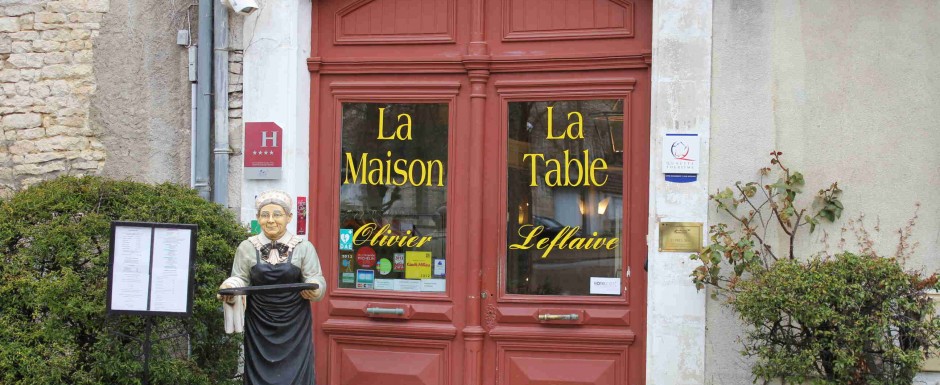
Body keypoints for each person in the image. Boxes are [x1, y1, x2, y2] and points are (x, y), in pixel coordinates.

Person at [218, 190, 326, 385]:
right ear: (258, 218)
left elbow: (315, 277)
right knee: (258, 372)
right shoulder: (247, 247)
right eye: (265, 215)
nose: (271, 220)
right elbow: (240, 277)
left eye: (277, 214)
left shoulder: (303, 247)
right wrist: (231, 285)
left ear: (289, 217)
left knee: (296, 372)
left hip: (294, 325)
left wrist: (315, 289)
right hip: (259, 324)